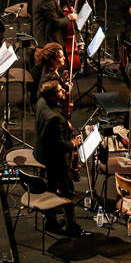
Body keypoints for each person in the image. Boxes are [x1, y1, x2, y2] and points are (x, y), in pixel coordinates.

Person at [33, 80, 91, 238]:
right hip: (57, 160)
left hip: (42, 153)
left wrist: (65, 124)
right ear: (52, 96)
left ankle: (51, 221)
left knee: (50, 188)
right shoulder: (55, 119)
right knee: (68, 193)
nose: (64, 92)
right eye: (60, 90)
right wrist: (74, 143)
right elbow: (60, 145)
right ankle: (73, 228)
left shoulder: (41, 102)